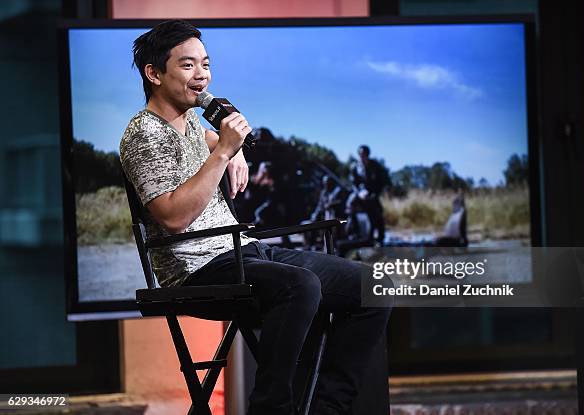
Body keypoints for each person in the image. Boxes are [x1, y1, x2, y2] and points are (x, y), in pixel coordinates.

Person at [119, 20, 392, 415]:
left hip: (243, 251)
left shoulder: (192, 122)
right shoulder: (143, 134)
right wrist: (223, 154)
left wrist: (237, 149)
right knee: (299, 286)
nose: (203, 76)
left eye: (206, 65)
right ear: (154, 74)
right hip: (197, 268)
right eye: (188, 66)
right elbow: (174, 217)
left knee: (372, 286)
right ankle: (272, 408)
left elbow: (218, 141)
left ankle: (327, 409)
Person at [349, 145, 391, 245]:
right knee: (350, 204)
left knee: (377, 212)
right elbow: (353, 183)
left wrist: (374, 194)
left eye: (364, 155)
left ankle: (380, 238)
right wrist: (359, 193)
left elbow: (382, 182)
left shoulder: (375, 166)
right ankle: (354, 233)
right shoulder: (355, 167)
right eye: (361, 155)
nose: (362, 157)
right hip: (360, 193)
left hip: (373, 193)